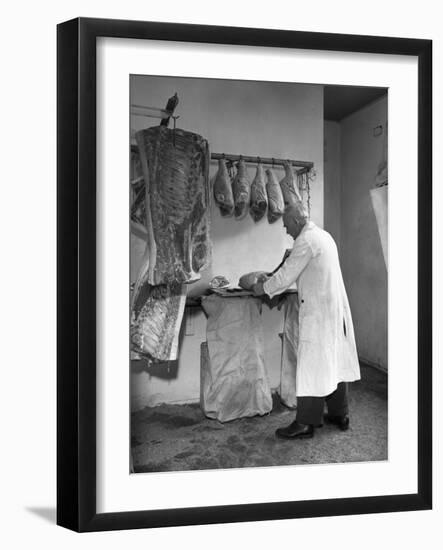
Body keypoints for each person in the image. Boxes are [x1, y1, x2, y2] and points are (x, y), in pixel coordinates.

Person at [252, 202, 361, 439]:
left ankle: (305, 422)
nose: (286, 230)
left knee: (311, 366)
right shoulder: (324, 236)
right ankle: (339, 414)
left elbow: (285, 276)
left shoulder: (306, 241)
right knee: (334, 361)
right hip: (334, 310)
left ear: (297, 221)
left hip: (319, 313)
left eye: (287, 225)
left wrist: (262, 287)